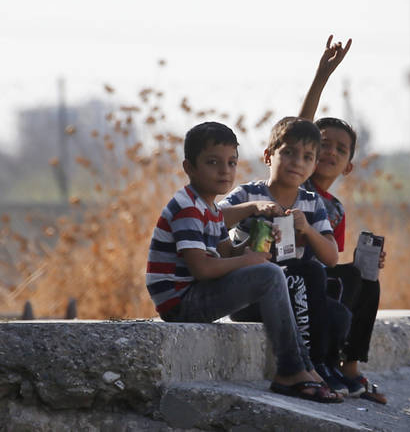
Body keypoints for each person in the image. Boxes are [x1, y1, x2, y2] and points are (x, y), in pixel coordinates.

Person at [146, 121, 340, 403]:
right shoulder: (188, 206)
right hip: (180, 302)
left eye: (231, 162)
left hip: (195, 294)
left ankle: (306, 367)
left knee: (271, 272)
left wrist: (254, 246)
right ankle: (289, 370)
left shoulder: (208, 206)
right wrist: (250, 261)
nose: (224, 171)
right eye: (213, 162)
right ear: (189, 168)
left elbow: (227, 254)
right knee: (271, 275)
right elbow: (202, 269)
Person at [218, 117, 353, 394]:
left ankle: (325, 367)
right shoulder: (248, 193)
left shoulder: (312, 203)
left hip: (294, 293)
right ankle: (310, 366)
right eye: (288, 152)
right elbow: (212, 219)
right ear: (269, 156)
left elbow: (331, 257)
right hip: (252, 294)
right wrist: (252, 210)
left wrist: (307, 230)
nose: (297, 162)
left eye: (307, 157)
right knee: (309, 275)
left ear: (313, 165)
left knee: (338, 314)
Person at [299, 36, 389, 404]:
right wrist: (322, 77)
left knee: (366, 278)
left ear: (349, 166)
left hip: (320, 276)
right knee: (348, 276)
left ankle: (350, 369)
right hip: (293, 278)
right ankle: (323, 363)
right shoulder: (297, 184)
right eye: (322, 144)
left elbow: (330, 254)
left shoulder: (334, 207)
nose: (329, 152)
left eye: (340, 149)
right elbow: (300, 126)